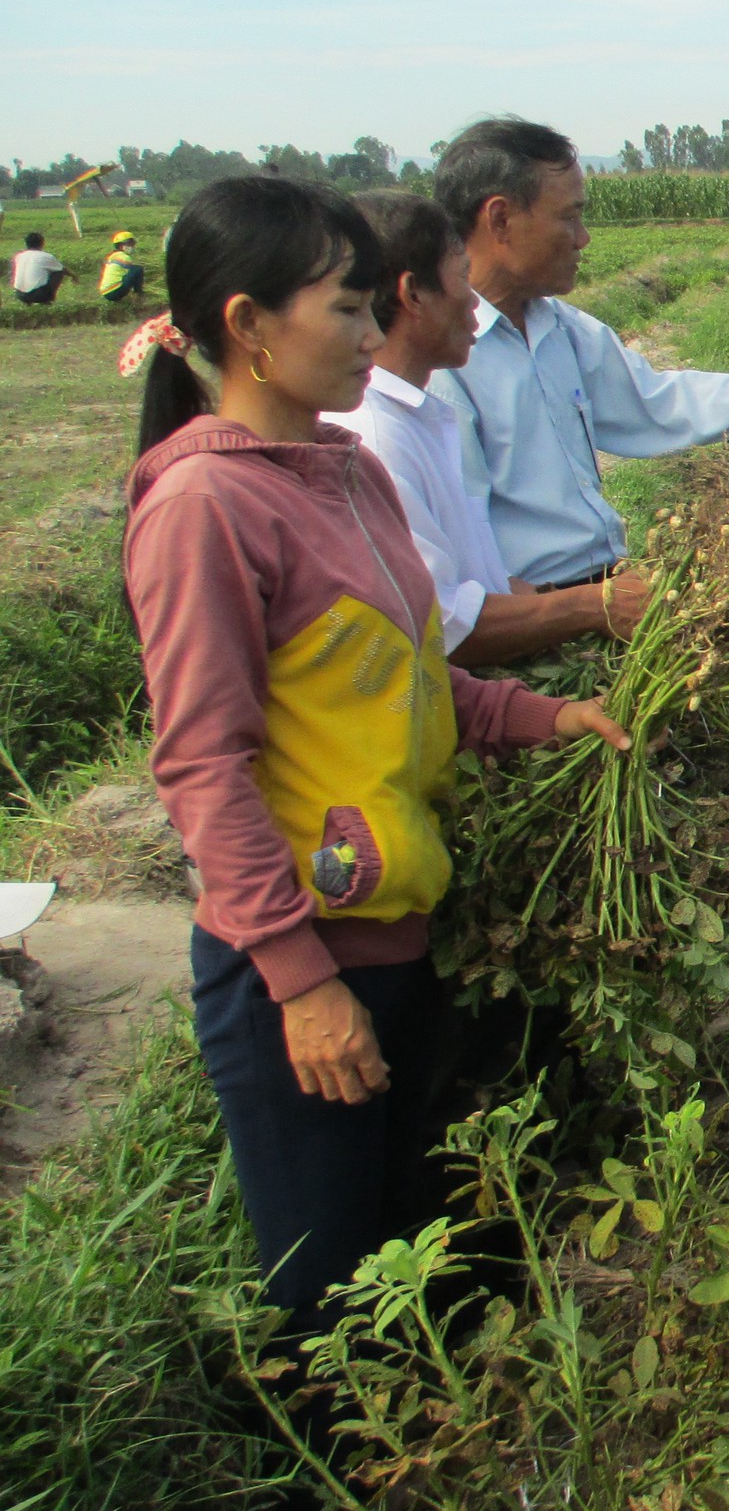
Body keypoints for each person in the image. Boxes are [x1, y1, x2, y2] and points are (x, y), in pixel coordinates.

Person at [118, 176, 630, 1373]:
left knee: (420, 1262)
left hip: (402, 930)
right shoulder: (205, 503)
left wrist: (545, 716)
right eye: (344, 309)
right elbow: (204, 765)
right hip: (302, 967)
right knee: (329, 1308)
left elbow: (408, 681)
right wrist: (299, 982)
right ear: (248, 325)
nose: (369, 333)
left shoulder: (345, 472)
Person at [429, 118, 729, 590]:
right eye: (568, 217)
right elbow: (457, 564)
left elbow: (653, 399)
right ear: (500, 219)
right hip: (525, 616)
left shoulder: (560, 328)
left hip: (600, 590)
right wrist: (556, 613)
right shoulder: (442, 363)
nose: (583, 238)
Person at [336, 190, 646, 664]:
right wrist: (592, 605)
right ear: (413, 295)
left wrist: (541, 599)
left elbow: (471, 578)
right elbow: (438, 625)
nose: (475, 304)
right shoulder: (377, 437)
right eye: (462, 278)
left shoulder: (422, 416)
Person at [11, 230, 65, 305]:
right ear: (42, 243)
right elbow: (62, 269)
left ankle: (27, 303)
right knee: (58, 272)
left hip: (19, 294)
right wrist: (74, 275)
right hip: (37, 295)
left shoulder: (19, 256)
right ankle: (47, 299)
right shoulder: (45, 256)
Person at [98, 227, 146, 303]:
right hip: (114, 290)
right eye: (129, 244)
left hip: (105, 292)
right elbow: (132, 276)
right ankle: (138, 294)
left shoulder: (112, 256)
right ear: (120, 246)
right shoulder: (125, 257)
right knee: (138, 269)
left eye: (132, 244)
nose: (132, 246)